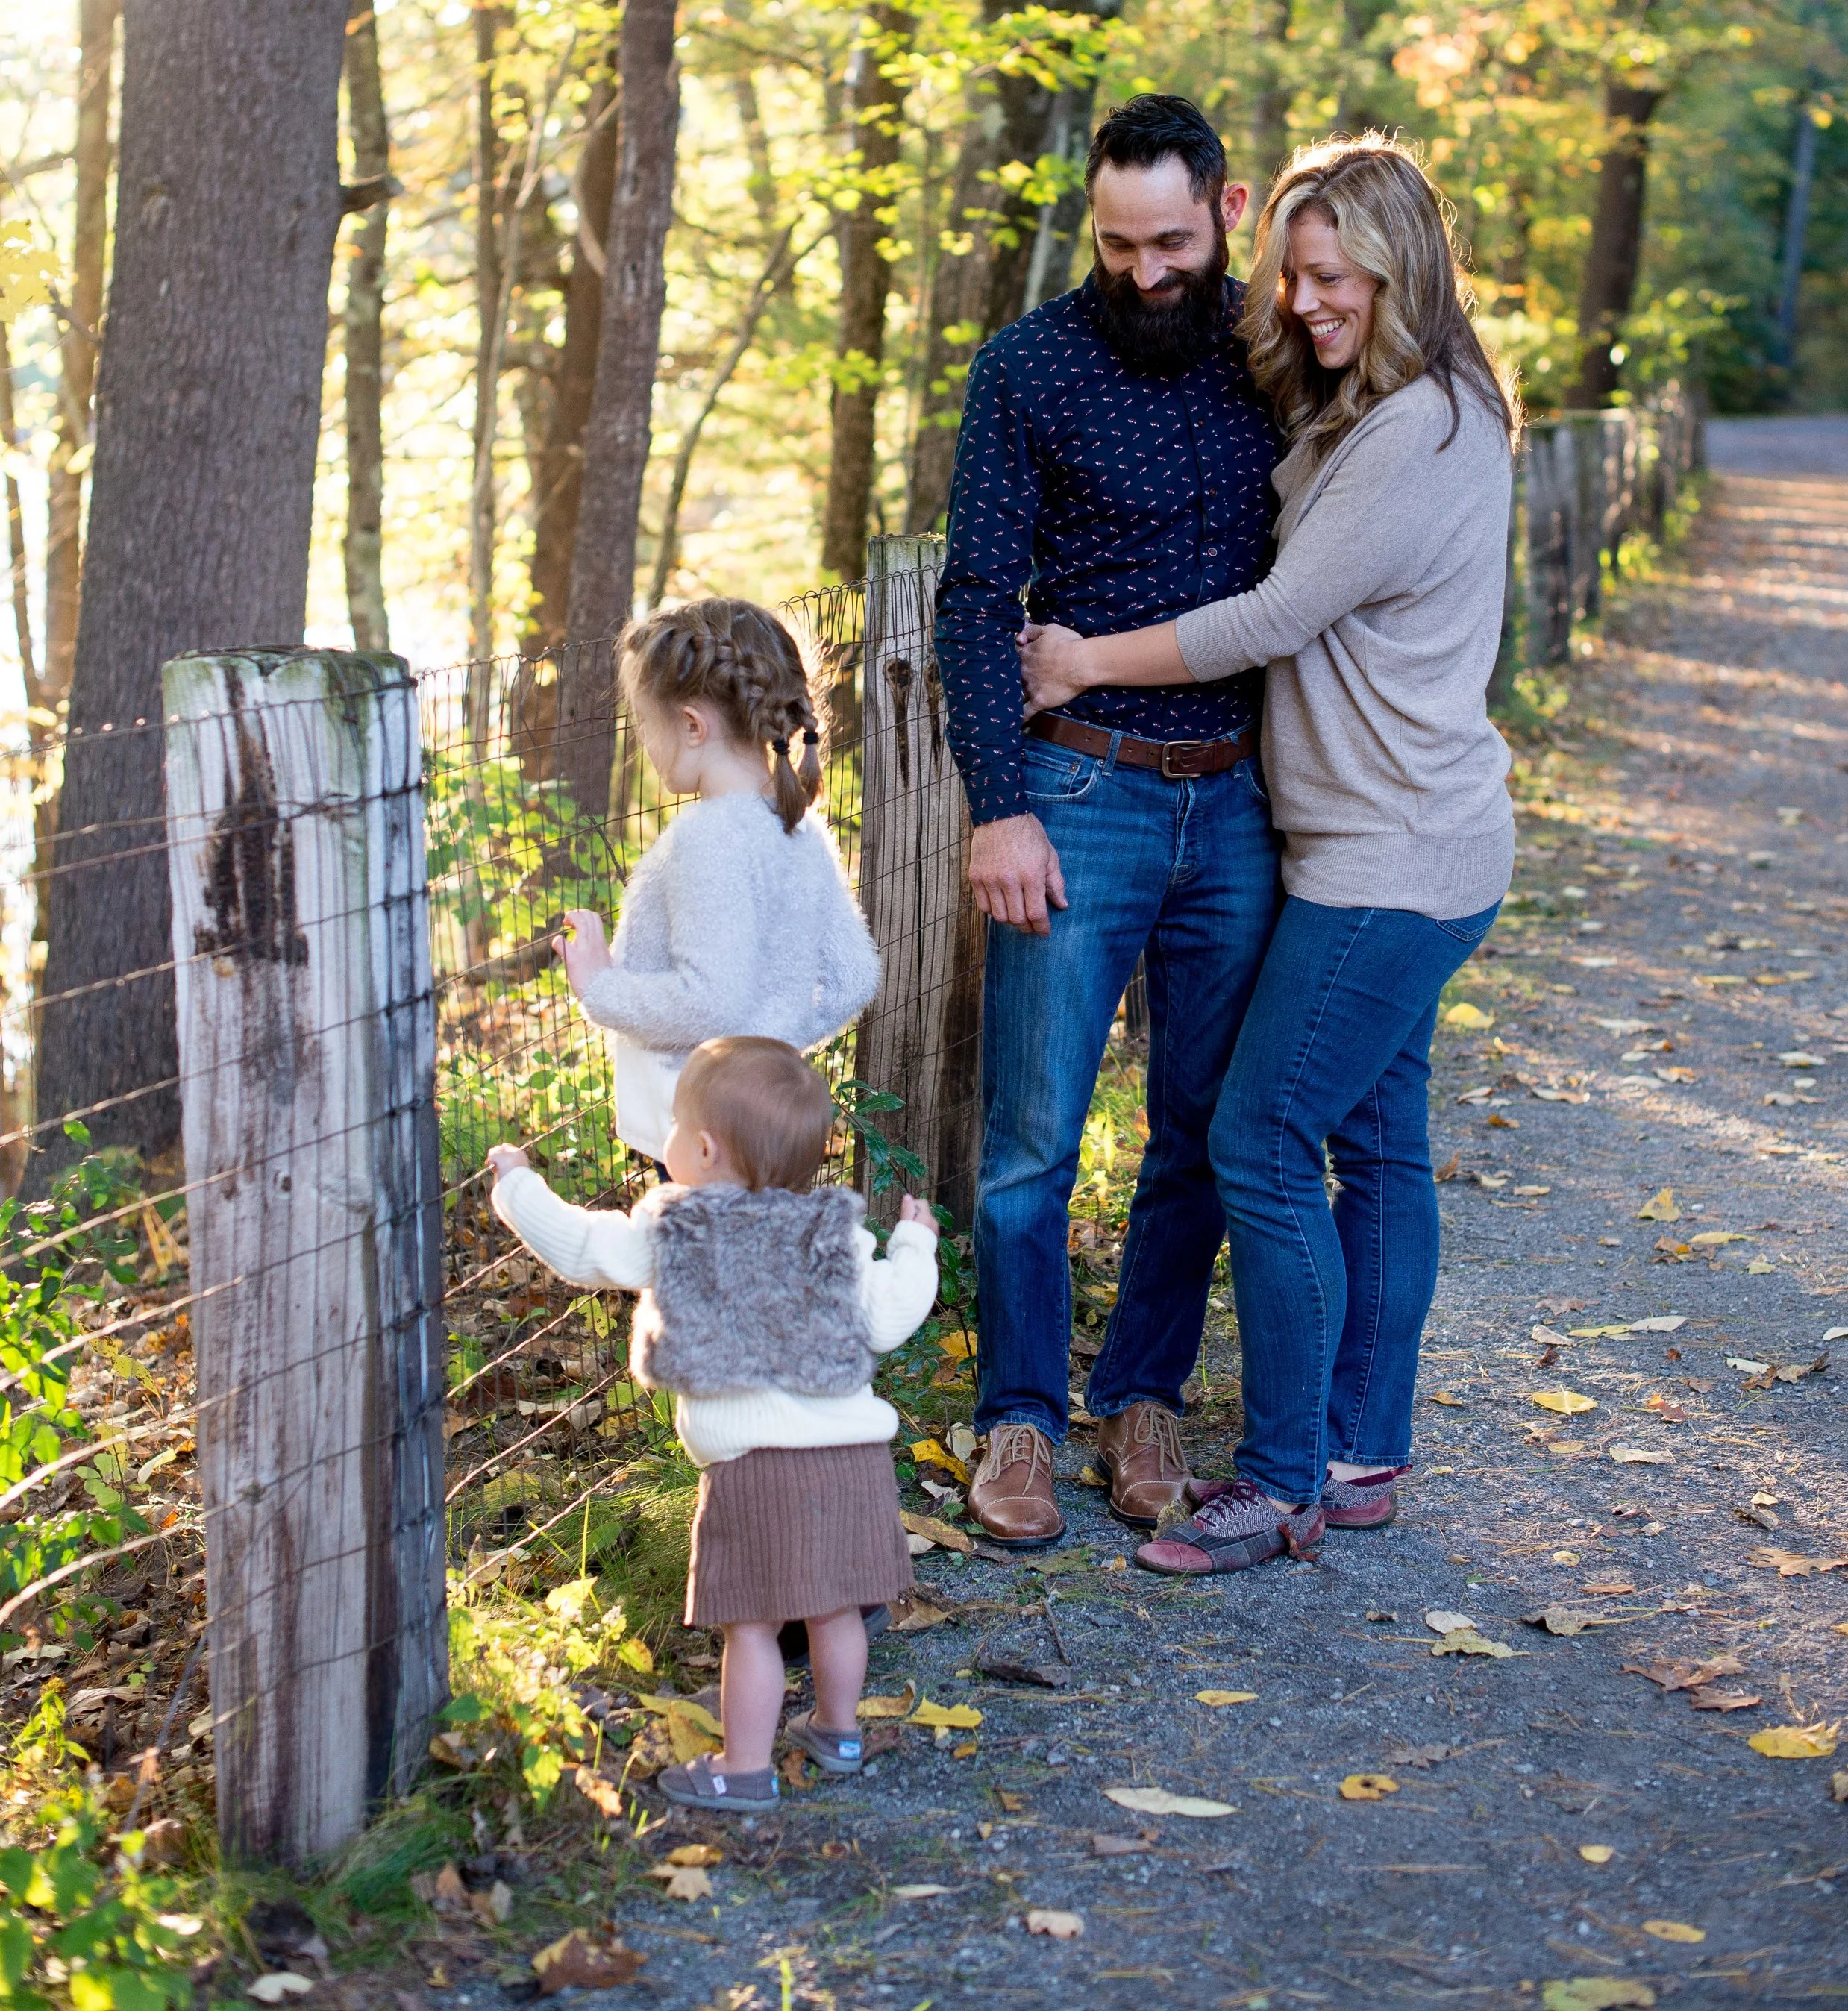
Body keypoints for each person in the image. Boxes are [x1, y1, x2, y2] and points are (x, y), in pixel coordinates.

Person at [1019, 133, 1519, 1575]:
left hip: (1390, 857)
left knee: (1257, 1135)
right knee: (1376, 1143)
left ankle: (1284, 1479)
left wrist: (1078, 660)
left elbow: (1270, 618)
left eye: (1332, 275)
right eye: (1293, 274)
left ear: (1401, 268)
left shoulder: (1417, 431)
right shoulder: (1398, 407)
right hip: (1404, 837)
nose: (1303, 301)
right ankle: (1362, 1453)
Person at [934, 95, 1282, 1547]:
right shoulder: (1026, 369)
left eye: (1172, 241)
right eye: (1116, 242)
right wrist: (997, 812)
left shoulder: (1282, 357)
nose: (1144, 269)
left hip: (1246, 804)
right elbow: (971, 600)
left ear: (1229, 210)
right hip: (1077, 792)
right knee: (1029, 1137)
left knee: (1198, 1131)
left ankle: (1140, 1395)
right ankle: (1015, 1415)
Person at [488, 1036, 939, 1810]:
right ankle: (839, 1731)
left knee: (753, 1627)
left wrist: (517, 1184)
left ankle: (743, 1767)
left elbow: (582, 1246)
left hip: (753, 1465)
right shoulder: (829, 1235)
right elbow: (894, 1311)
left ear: (700, 1148)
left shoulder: (679, 1230)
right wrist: (915, 1242)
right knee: (836, 1604)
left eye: (670, 1128)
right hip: (855, 1455)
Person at [551, 597, 880, 1166]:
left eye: (645, 725)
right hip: (755, 1128)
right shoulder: (797, 828)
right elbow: (855, 976)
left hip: (692, 1128)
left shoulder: (707, 838)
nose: (644, 745)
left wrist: (601, 990)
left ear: (692, 726)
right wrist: (770, 1046)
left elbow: (712, 1002)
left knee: (691, 1255)